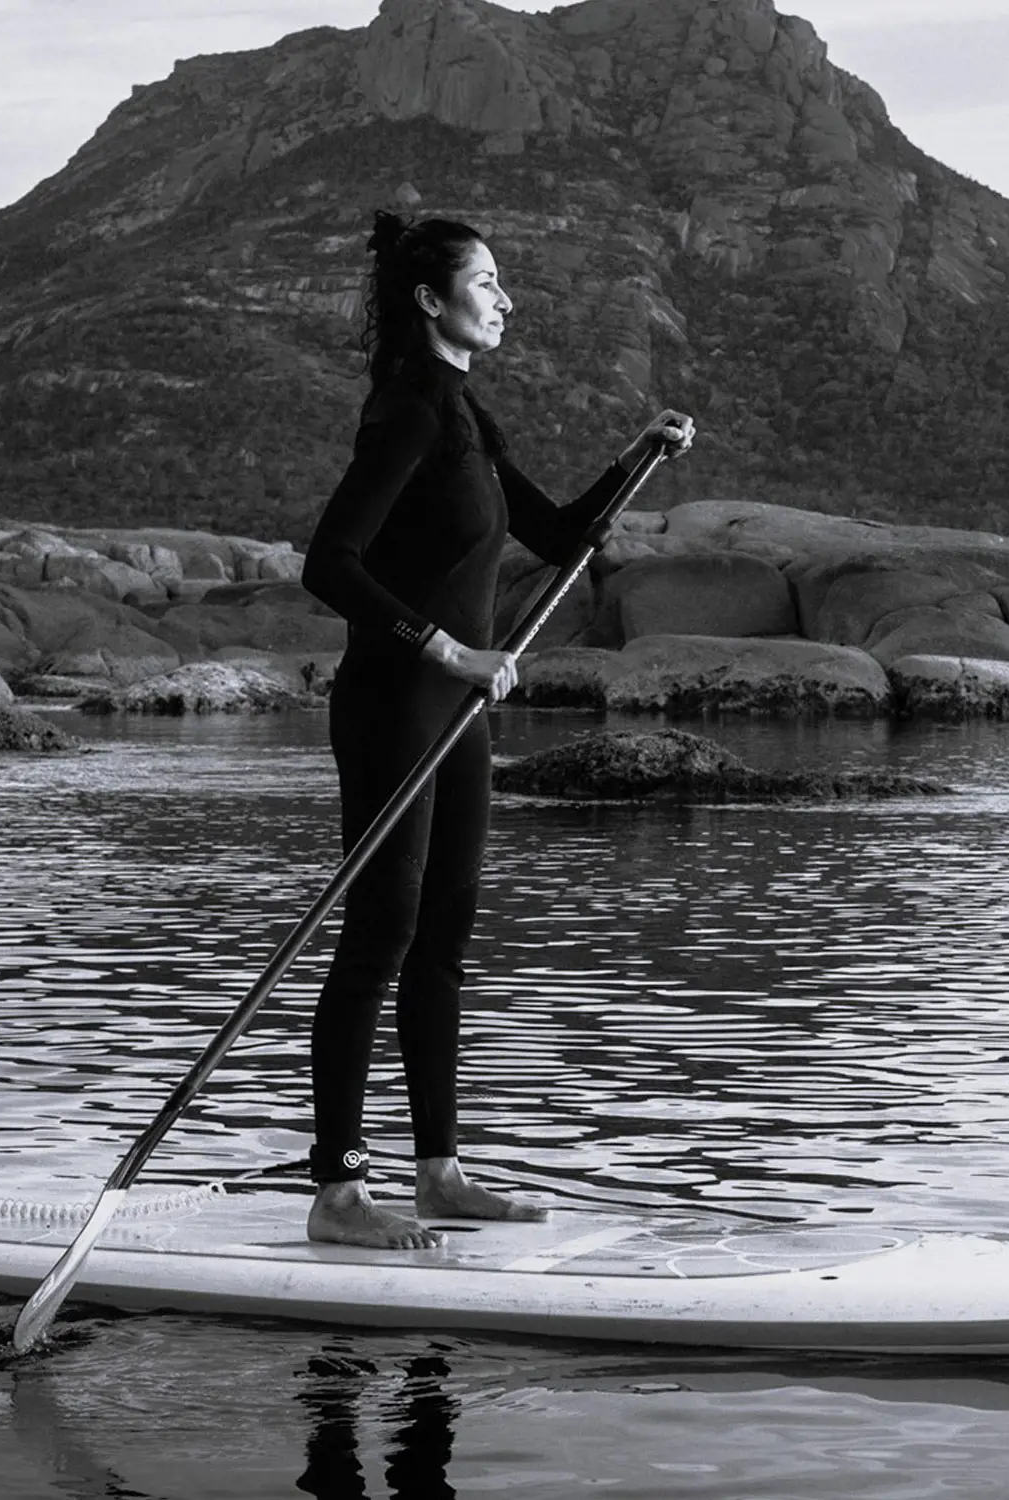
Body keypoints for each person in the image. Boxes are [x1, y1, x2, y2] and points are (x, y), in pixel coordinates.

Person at [300, 212, 695, 1250]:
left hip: (458, 717)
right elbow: (329, 564)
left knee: (443, 943)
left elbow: (559, 534)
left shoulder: (468, 414)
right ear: (433, 300)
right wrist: (449, 651)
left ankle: (440, 1173)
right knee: (379, 934)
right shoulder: (407, 413)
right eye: (487, 280)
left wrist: (636, 454)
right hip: (396, 703)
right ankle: (338, 1192)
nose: (506, 297)